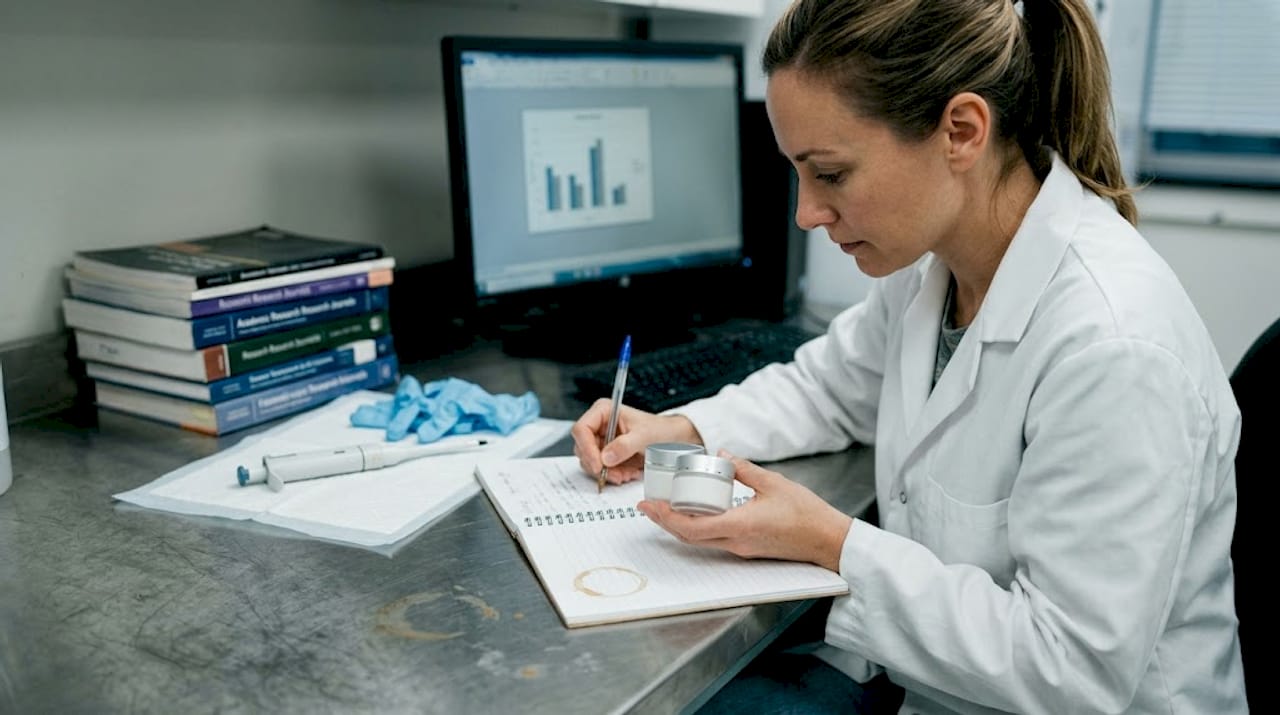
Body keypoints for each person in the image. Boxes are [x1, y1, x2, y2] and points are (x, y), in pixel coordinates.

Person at [569, 0, 1247, 713]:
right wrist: (683, 430)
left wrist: (833, 545)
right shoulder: (934, 267)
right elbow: (828, 387)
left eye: (829, 173)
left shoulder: (1114, 347)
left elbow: (1070, 669)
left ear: (961, 131)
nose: (806, 213)